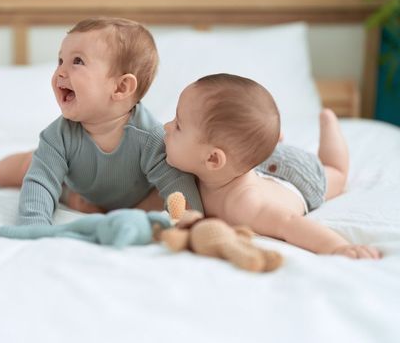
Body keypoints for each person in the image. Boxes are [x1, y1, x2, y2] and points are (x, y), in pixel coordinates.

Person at [0, 16, 205, 225]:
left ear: (121, 87)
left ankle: (90, 204)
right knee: (28, 167)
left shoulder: (151, 138)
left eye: (77, 61)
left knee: (155, 203)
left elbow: (176, 184)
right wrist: (33, 225)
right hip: (74, 183)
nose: (60, 72)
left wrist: (190, 222)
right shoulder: (57, 136)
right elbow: (40, 184)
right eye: (60, 61)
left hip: (134, 197)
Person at [163, 73, 381, 259]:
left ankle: (329, 122)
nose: (166, 126)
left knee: (336, 174)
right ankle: (271, 144)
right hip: (259, 165)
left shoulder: (245, 204)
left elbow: (289, 223)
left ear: (212, 159)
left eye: (178, 125)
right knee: (247, 152)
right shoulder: (205, 168)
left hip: (298, 179)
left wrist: (337, 247)